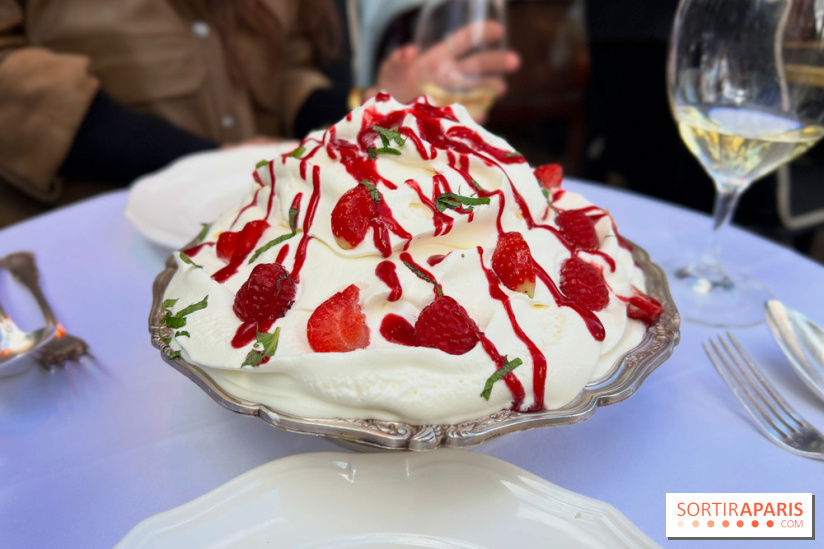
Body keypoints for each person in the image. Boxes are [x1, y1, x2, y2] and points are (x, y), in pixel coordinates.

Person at [0, 0, 519, 228]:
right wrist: (209, 157)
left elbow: (289, 75)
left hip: (264, 220)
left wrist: (372, 104)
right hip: (87, 229)